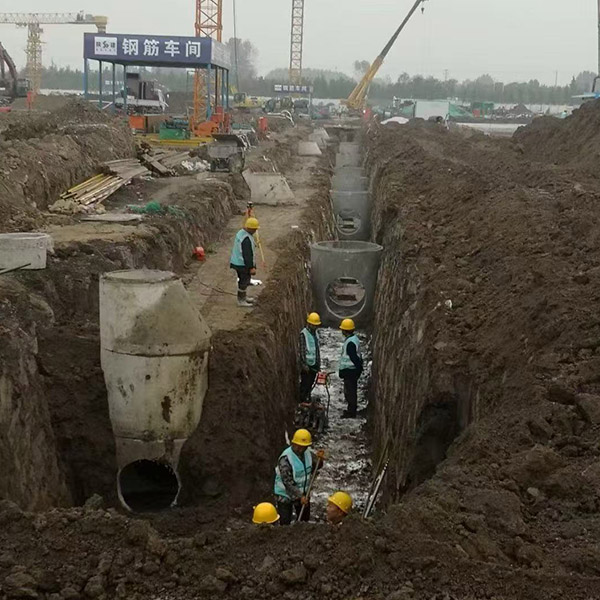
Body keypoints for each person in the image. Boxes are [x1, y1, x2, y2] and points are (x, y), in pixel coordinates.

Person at [274, 428, 324, 525]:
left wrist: (320, 459)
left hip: (303, 493)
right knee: (285, 522)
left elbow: (317, 466)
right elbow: (287, 482)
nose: (301, 449)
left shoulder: (308, 454)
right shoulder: (285, 459)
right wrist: (300, 496)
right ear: (294, 443)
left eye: (304, 447)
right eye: (299, 446)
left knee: (304, 520)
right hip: (285, 494)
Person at [230, 217, 259, 308]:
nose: (255, 231)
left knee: (244, 281)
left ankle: (243, 298)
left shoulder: (241, 233)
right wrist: (251, 267)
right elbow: (248, 255)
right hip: (242, 264)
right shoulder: (246, 239)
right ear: (250, 229)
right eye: (254, 229)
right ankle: (241, 300)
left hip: (237, 262)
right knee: (244, 281)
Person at [338, 318, 363, 418]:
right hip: (352, 371)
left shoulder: (350, 343)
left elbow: (353, 357)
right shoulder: (354, 339)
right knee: (351, 391)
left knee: (350, 392)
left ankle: (351, 412)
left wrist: (358, 368)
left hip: (350, 371)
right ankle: (351, 409)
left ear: (345, 330)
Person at [299, 313, 322, 403]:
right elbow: (302, 350)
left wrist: (318, 364)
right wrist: (304, 364)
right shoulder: (304, 334)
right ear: (310, 324)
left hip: (313, 365)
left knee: (310, 384)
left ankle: (307, 398)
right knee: (305, 384)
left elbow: (316, 349)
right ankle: (302, 401)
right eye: (314, 325)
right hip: (307, 366)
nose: (316, 327)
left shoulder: (315, 334)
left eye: (317, 325)